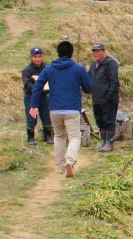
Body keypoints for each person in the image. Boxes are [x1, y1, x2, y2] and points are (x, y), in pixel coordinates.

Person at [30, 41, 92, 177]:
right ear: (71, 53)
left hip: (54, 108)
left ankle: (60, 166)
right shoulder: (78, 68)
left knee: (59, 136)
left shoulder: (49, 68)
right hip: (72, 108)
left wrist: (33, 105)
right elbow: (89, 88)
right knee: (75, 136)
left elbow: (37, 86)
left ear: (57, 53)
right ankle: (70, 160)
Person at [89, 43, 120, 152]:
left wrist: (110, 96)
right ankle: (103, 140)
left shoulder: (110, 64)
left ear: (104, 51)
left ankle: (109, 143)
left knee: (109, 121)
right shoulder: (93, 66)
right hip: (96, 98)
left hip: (108, 98)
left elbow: (114, 81)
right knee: (100, 120)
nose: (96, 53)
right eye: (94, 51)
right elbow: (89, 80)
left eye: (98, 51)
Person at [22, 47, 52, 145]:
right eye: (35, 56)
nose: (37, 59)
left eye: (39, 56)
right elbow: (27, 84)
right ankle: (30, 138)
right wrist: (38, 88)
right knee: (31, 116)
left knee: (46, 115)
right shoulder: (27, 70)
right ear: (31, 57)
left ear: (42, 57)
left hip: (44, 96)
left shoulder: (47, 68)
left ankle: (47, 136)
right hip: (30, 96)